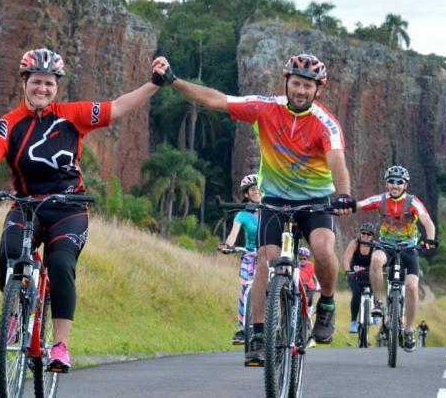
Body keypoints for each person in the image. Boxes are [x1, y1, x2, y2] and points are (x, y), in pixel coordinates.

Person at [0, 47, 161, 372]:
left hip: (69, 207)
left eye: (49, 84)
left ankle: (60, 346)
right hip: (27, 205)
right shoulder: (9, 123)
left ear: (57, 87)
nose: (42, 89)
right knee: (10, 251)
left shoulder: (73, 115)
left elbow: (120, 106)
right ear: (24, 82)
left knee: (61, 264)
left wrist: (153, 82)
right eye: (36, 82)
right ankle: (13, 315)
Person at [151, 53, 356, 366]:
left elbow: (337, 161)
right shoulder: (265, 107)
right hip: (273, 200)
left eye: (308, 87)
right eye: (297, 83)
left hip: (316, 202)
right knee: (266, 261)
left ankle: (326, 303)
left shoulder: (325, 123)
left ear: (318, 90)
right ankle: (258, 333)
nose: (301, 91)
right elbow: (216, 100)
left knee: (322, 249)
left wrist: (343, 196)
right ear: (286, 81)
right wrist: (173, 80)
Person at [358, 165, 436, 351]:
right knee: (376, 260)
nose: (395, 185)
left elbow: (427, 221)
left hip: (409, 249)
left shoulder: (413, 202)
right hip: (386, 246)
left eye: (399, 182)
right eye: (391, 181)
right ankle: (380, 302)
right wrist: (344, 205)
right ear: (386, 183)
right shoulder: (381, 200)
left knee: (411, 287)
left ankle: (409, 330)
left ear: (405, 185)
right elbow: (360, 204)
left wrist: (430, 240)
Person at [218, 174, 261, 345]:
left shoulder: (272, 210)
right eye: (252, 189)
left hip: (269, 255)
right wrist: (228, 246)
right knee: (246, 288)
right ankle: (242, 327)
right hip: (250, 256)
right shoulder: (242, 215)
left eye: (259, 188)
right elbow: (233, 235)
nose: (256, 191)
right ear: (246, 194)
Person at [342, 222, 377, 333]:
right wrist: (348, 271)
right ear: (360, 233)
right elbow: (346, 259)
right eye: (363, 233)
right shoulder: (354, 243)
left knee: (375, 289)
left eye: (368, 234)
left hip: (369, 271)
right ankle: (353, 322)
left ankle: (376, 311)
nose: (365, 236)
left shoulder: (375, 246)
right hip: (354, 272)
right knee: (356, 293)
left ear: (372, 236)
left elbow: (378, 262)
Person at [298, 247, 321, 314]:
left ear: (307, 258)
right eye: (300, 258)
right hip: (298, 285)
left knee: (309, 300)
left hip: (309, 286)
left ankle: (308, 316)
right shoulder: (295, 265)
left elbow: (314, 276)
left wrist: (318, 285)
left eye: (304, 258)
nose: (302, 260)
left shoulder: (311, 265)